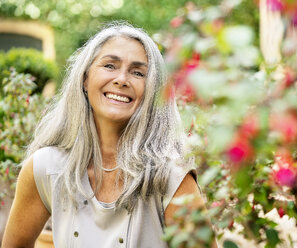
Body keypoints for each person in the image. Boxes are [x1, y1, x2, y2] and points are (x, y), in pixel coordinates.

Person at [3, 22, 211, 247]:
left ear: (153, 91)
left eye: (138, 72)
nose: (122, 79)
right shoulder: (46, 167)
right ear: (85, 79)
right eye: (110, 66)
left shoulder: (170, 177)